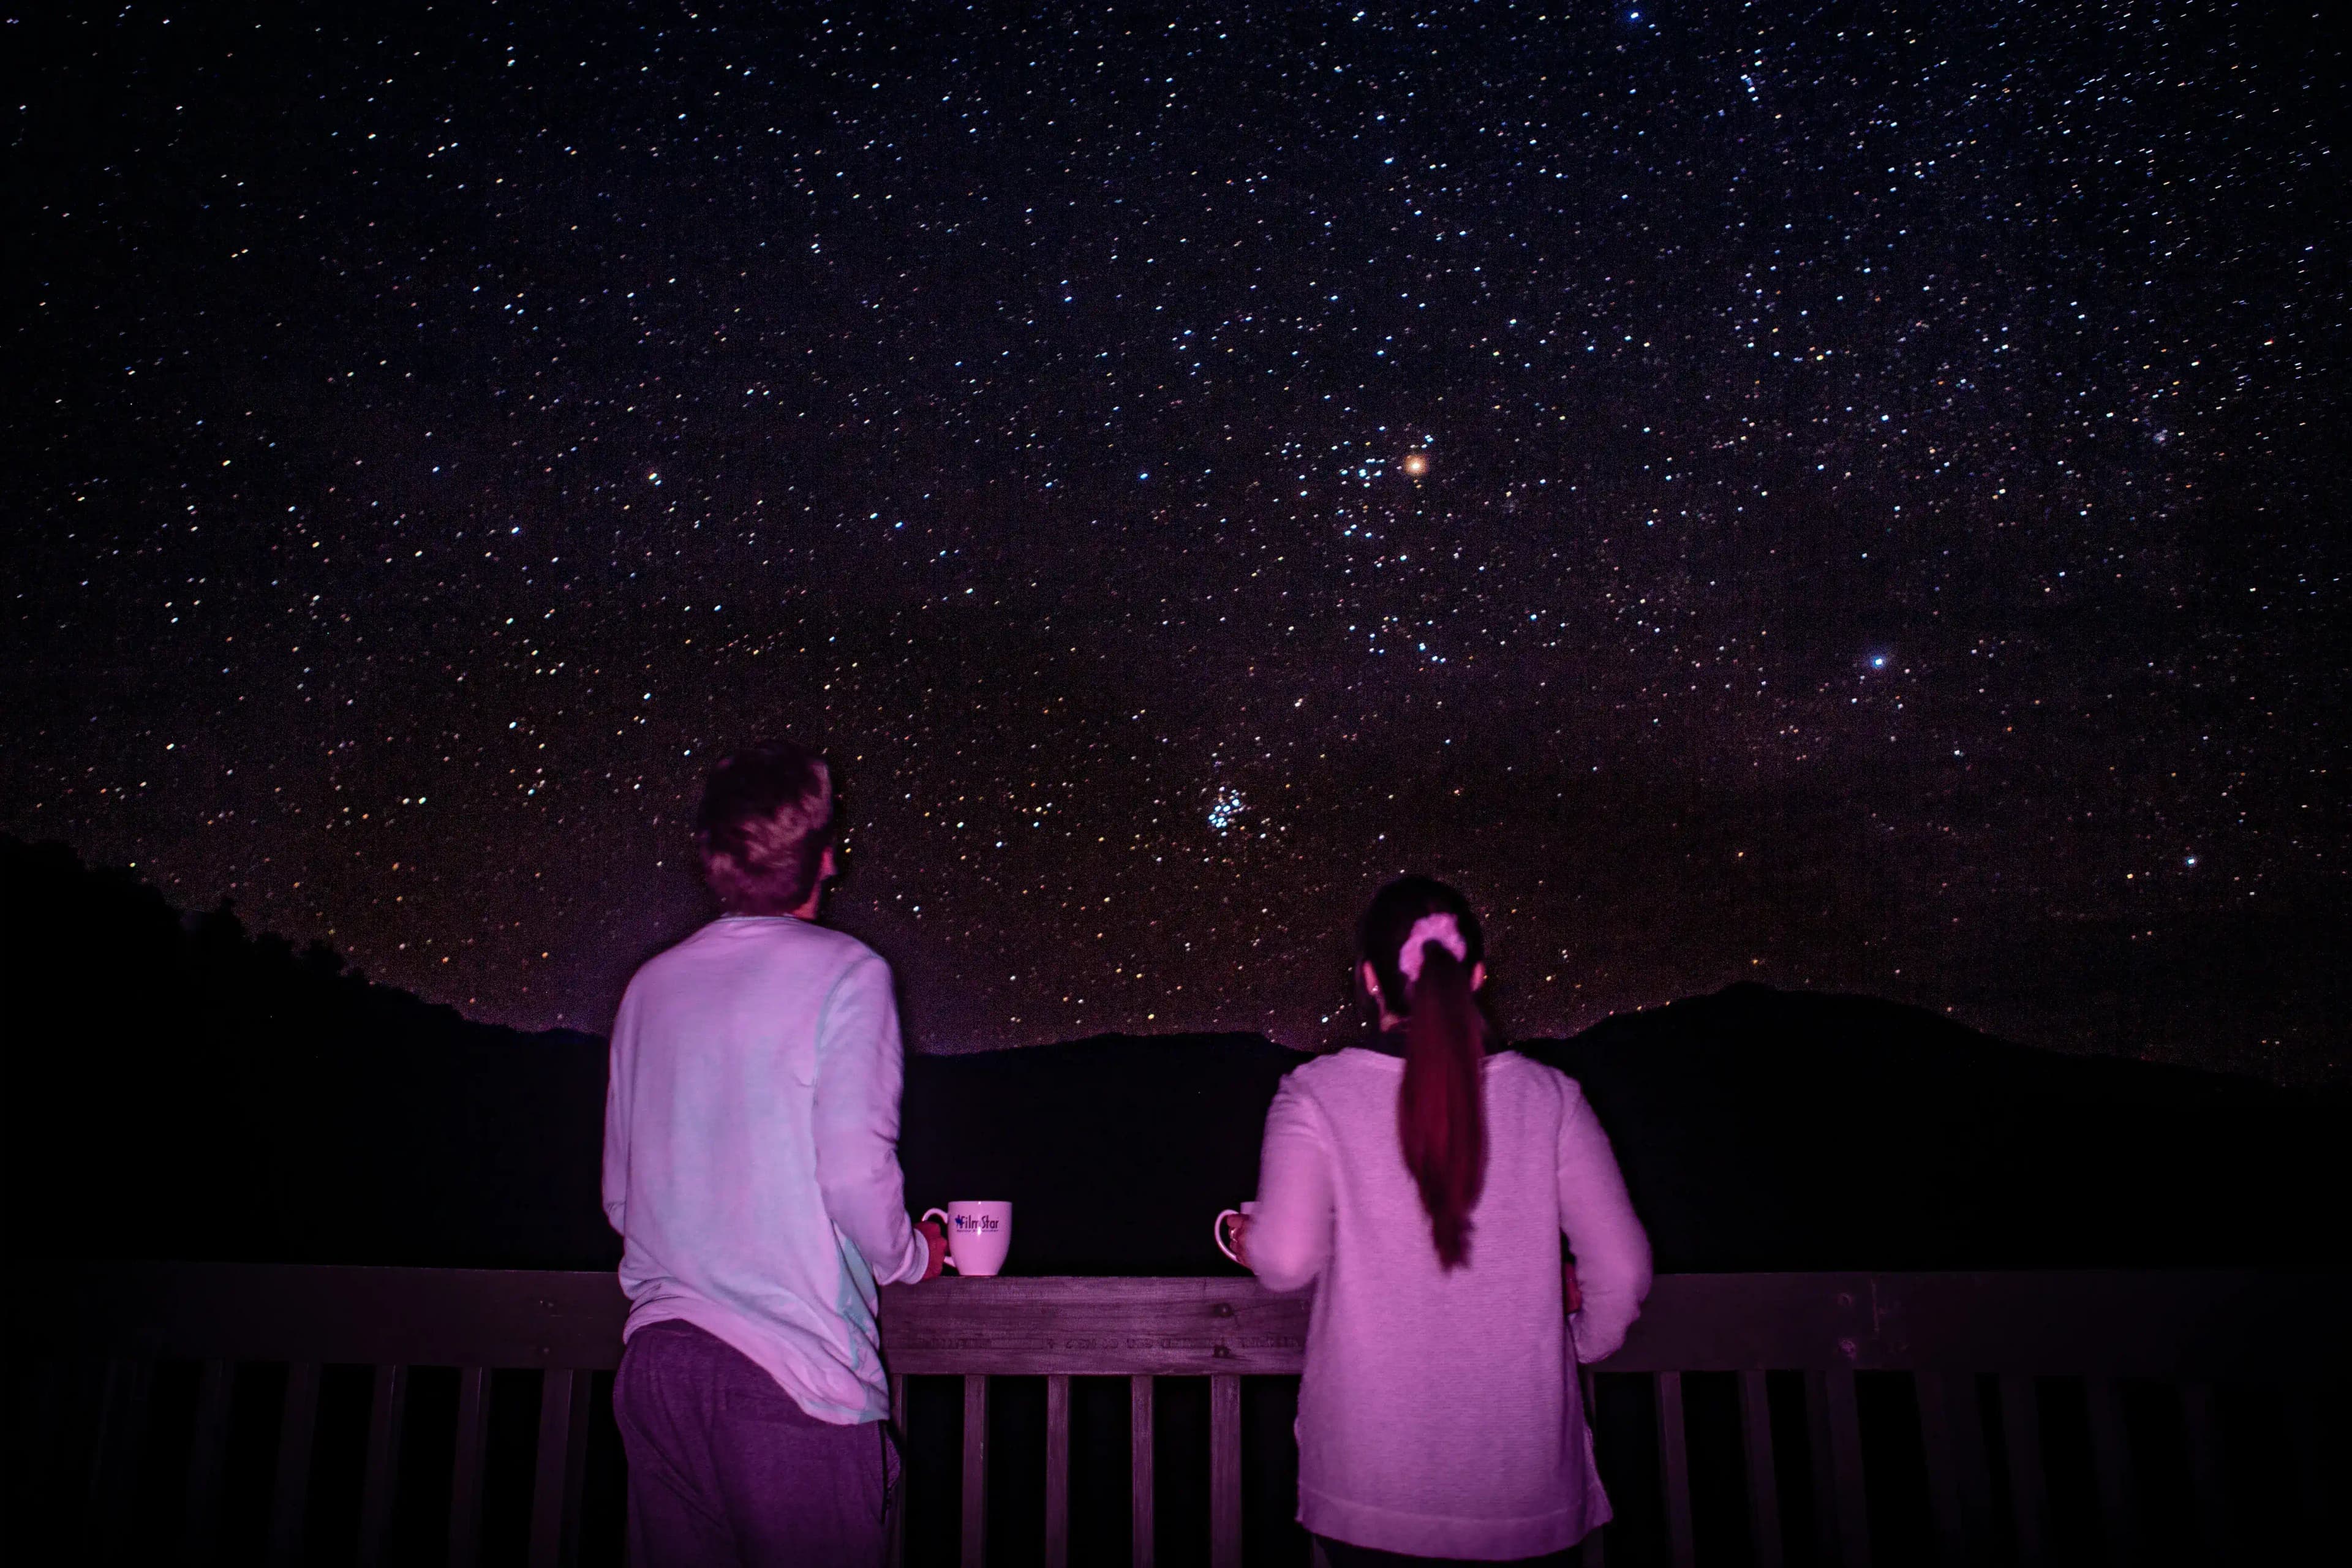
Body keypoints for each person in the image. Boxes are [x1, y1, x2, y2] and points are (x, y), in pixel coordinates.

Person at [1232, 876, 1651, 1564]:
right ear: (1478, 976)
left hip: (1370, 1488)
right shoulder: (1551, 1097)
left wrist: (1246, 1235)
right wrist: (1580, 1342)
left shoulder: (1317, 1094)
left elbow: (1285, 1260)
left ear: (1370, 979)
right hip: (1527, 1489)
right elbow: (1624, 1268)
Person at [602, 742, 946, 1567]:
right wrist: (912, 1258)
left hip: (659, 1369)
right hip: (790, 1380)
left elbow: (621, 1197)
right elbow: (856, 1176)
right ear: (826, 857)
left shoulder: (649, 985)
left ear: (715, 859)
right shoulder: (848, 974)